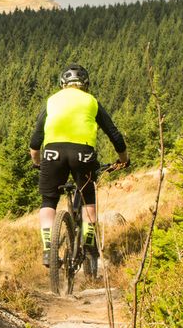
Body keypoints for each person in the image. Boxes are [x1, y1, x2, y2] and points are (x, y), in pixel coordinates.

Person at [29, 63, 129, 269]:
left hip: (52, 152)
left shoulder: (52, 101)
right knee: (88, 198)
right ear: (85, 84)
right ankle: (90, 244)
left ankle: (49, 249)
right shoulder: (91, 101)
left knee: (48, 200)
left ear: (62, 83)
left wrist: (37, 161)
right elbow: (114, 135)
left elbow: (36, 139)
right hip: (83, 154)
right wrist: (124, 159)